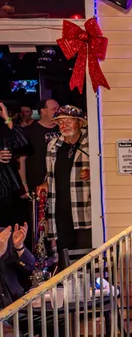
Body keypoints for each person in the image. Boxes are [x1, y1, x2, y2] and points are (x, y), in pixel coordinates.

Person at [37, 106, 92, 267]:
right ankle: (67, 283)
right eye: (60, 122)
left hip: (84, 210)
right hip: (60, 209)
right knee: (65, 256)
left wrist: (92, 173)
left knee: (85, 255)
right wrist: (45, 182)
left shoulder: (91, 143)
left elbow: (104, 169)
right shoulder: (53, 145)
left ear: (79, 123)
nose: (64, 125)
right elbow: (51, 173)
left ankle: (87, 283)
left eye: (68, 121)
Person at [19, 98, 60, 201]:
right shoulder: (28, 132)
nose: (57, 111)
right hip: (37, 185)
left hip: (60, 183)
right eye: (54, 109)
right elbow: (21, 160)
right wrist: (25, 187)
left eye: (58, 108)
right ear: (43, 111)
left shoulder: (63, 128)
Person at [0, 102, 27, 227]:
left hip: (6, 189)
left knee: (7, 230)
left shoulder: (3, 127)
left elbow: (23, 143)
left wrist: (7, 118)